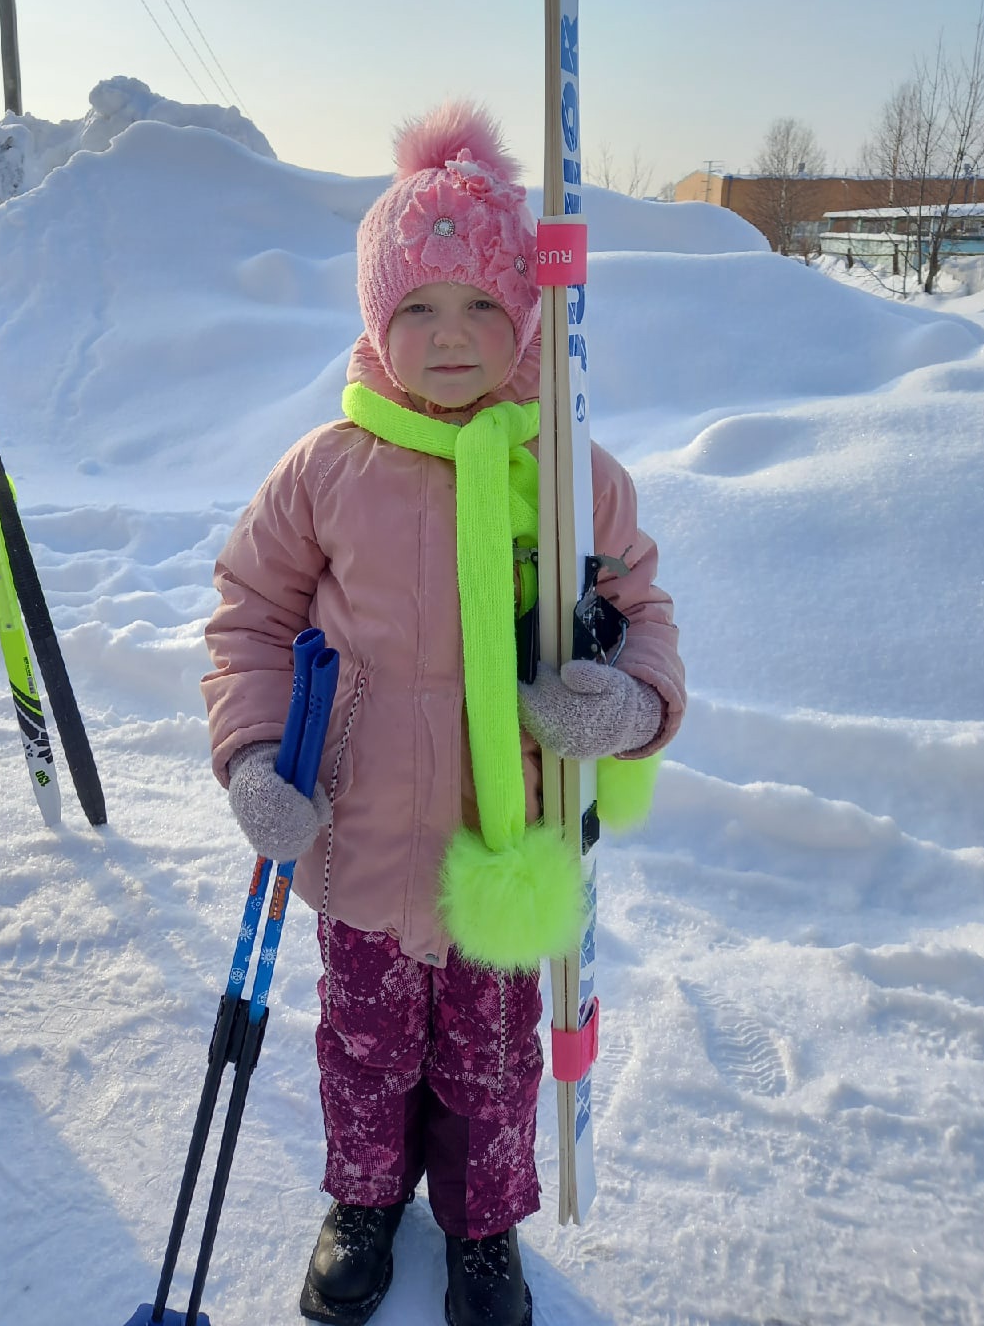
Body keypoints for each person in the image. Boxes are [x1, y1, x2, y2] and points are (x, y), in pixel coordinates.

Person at [202, 101, 685, 1326]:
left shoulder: (567, 470)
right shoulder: (327, 468)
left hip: (505, 836)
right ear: (376, 320)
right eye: (416, 306)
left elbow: (640, 606)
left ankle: (482, 1228)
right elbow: (251, 614)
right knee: (363, 1052)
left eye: (479, 303)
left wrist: (629, 701)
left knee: (489, 1057)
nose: (450, 335)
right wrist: (257, 753)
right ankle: (364, 1202)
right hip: (358, 838)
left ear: (525, 312)